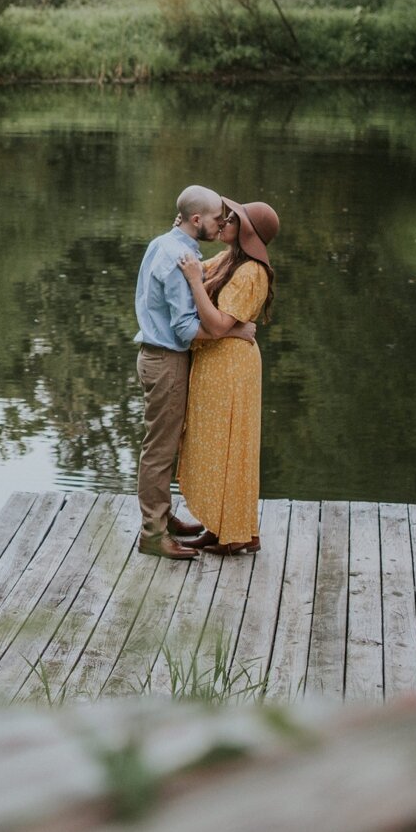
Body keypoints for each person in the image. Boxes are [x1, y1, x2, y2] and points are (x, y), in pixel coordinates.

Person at [132, 185, 257, 559]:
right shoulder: (179, 258)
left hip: (155, 356)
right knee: (160, 450)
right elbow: (186, 330)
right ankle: (153, 534)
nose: (222, 226)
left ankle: (164, 517)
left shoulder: (164, 244)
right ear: (197, 220)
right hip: (167, 361)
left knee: (162, 443)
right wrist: (233, 329)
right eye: (218, 219)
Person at [173, 198, 279, 555]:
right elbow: (197, 270)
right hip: (218, 361)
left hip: (231, 367)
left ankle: (237, 533)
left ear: (246, 231)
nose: (224, 222)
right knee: (215, 443)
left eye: (231, 220)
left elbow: (218, 324)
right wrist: (182, 232)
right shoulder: (231, 259)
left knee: (231, 444)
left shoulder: (252, 272)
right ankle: (222, 527)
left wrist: (193, 281)